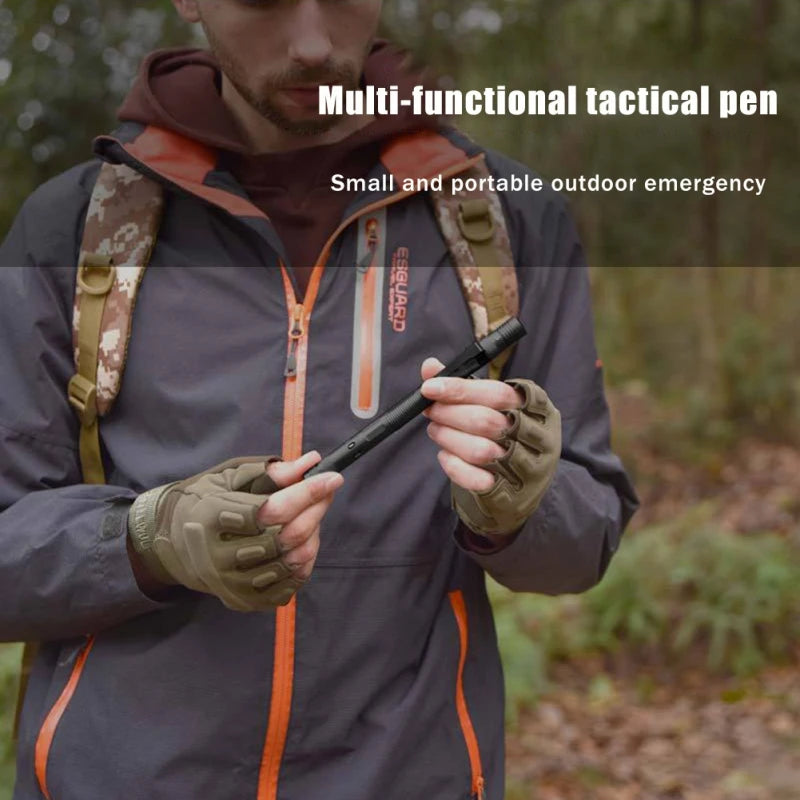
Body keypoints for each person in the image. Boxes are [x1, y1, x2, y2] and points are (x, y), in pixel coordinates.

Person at [0, 1, 638, 798]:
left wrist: (518, 506)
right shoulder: (73, 232)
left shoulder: (505, 222)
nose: (312, 44)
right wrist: (149, 540)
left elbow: (586, 537)